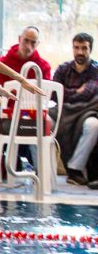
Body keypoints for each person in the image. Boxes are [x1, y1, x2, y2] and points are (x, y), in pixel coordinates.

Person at [53, 32, 98, 186]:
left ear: (90, 49)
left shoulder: (96, 70)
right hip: (62, 112)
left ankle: (74, 169)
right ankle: (42, 173)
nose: (80, 52)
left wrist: (67, 93)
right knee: (43, 122)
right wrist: (76, 92)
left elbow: (88, 94)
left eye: (84, 48)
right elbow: (54, 94)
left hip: (87, 111)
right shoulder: (63, 69)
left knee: (94, 125)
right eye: (76, 48)